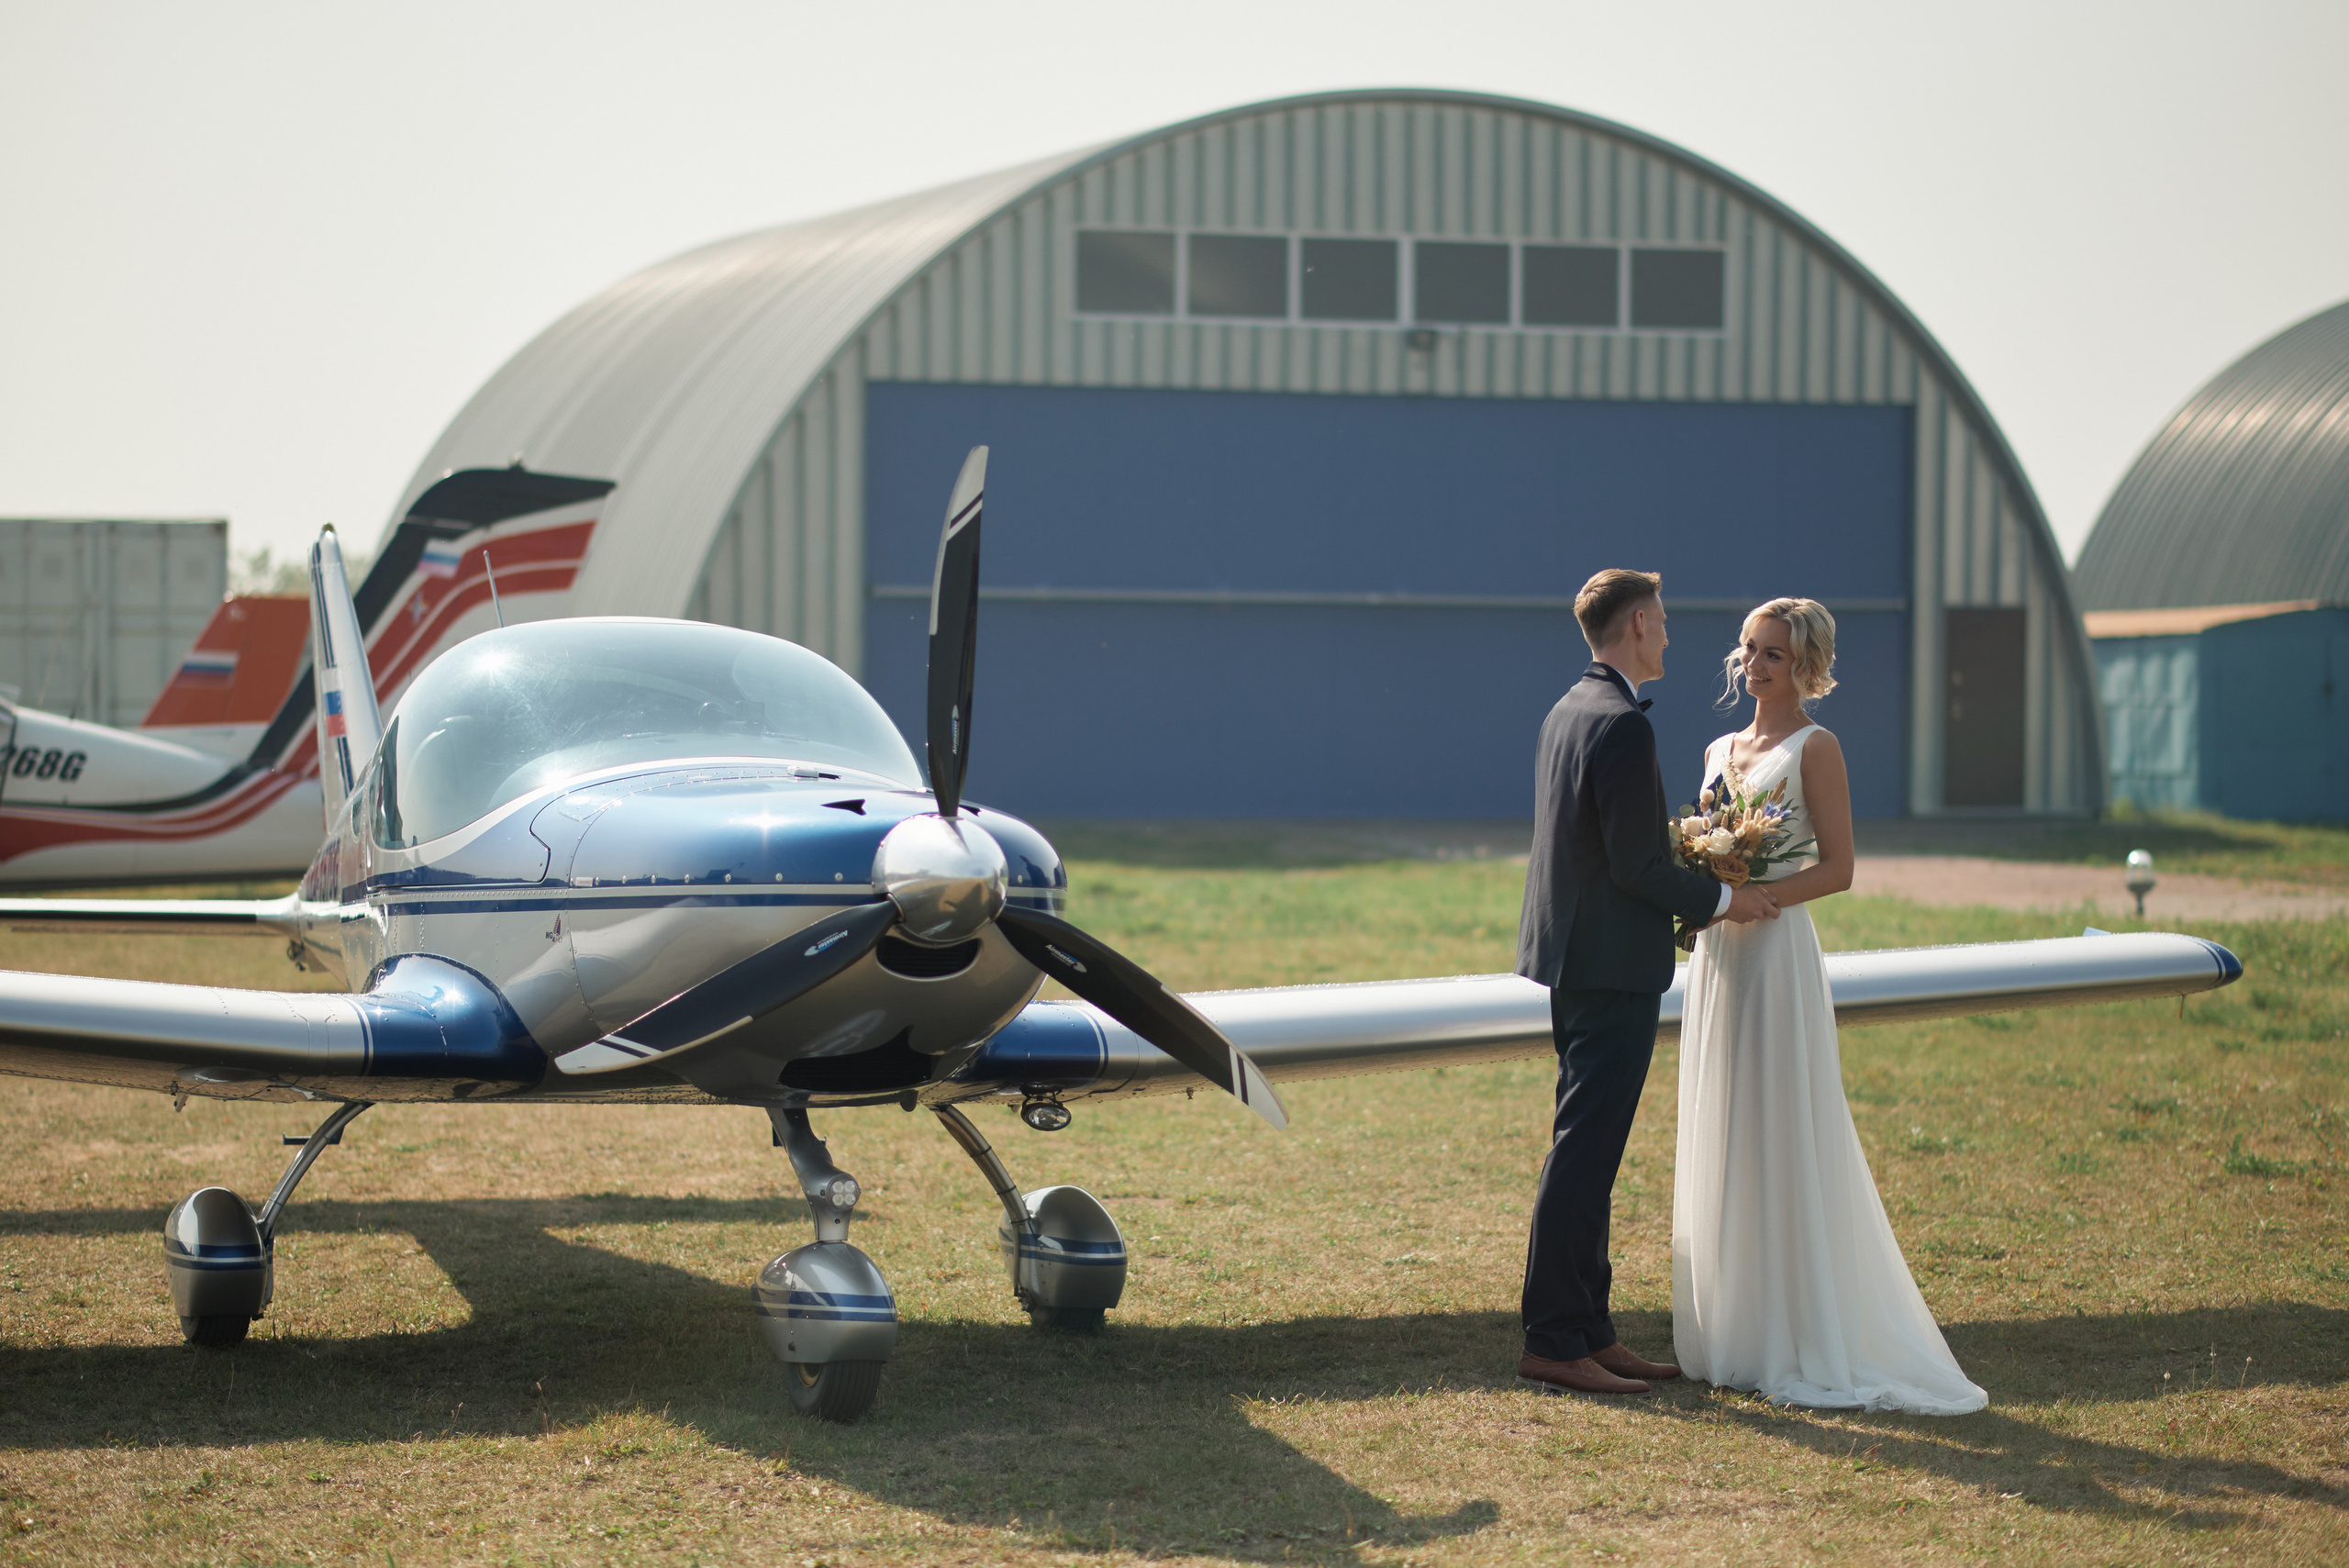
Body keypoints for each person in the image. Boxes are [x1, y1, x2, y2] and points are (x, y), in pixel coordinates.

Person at [1671, 598, 1987, 1414]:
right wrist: (1711, 886)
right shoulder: (1717, 747)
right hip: (1719, 954)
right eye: (1749, 650)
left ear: (1805, 664)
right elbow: (1704, 840)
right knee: (1725, 1115)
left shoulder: (1819, 747)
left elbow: (1841, 868)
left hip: (1775, 952)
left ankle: (1795, 1327)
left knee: (1781, 1120)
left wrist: (1755, 896)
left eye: (1773, 653)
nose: (1756, 664)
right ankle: (1734, 1327)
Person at [1514, 569, 1780, 1397]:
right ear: (1634, 624)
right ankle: (1555, 1338)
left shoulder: (1570, 707)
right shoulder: (1622, 724)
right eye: (1660, 622)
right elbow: (1633, 864)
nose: (1667, 635)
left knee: (1590, 1149)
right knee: (1585, 1152)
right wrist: (1728, 898)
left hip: (1574, 957)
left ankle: (1590, 1329)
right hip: (1609, 964)